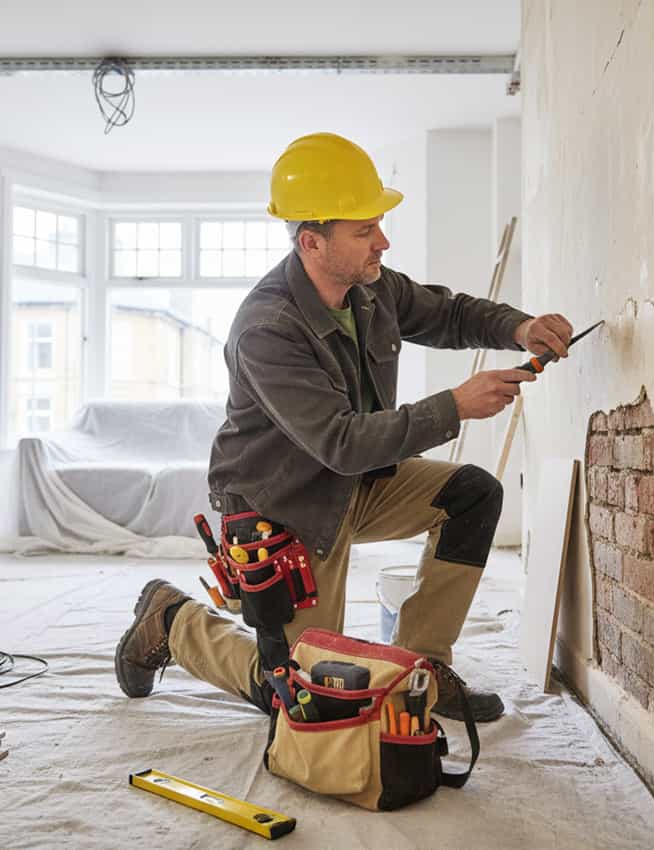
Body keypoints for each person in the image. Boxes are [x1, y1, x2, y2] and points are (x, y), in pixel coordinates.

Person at [115, 132, 573, 723]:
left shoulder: (369, 287)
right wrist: (455, 406)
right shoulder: (267, 328)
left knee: (472, 494)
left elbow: (448, 313)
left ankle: (419, 672)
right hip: (284, 505)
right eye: (365, 230)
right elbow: (340, 441)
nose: (383, 241)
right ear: (311, 241)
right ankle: (172, 620)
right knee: (301, 697)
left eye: (378, 224)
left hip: (355, 481)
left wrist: (519, 327)